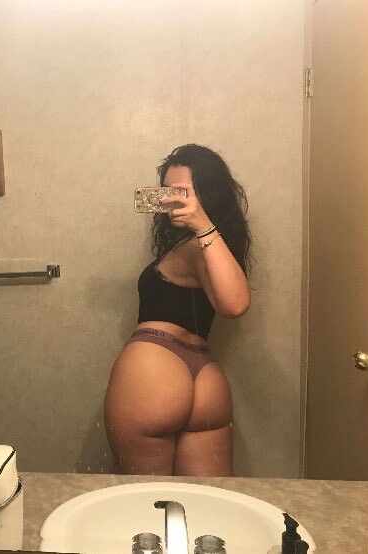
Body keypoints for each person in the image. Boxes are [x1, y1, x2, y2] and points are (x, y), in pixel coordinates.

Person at [104, 144, 252, 476]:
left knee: (146, 499)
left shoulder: (202, 243)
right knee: (207, 500)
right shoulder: (206, 247)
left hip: (152, 371)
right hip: (206, 379)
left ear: (208, 194)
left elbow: (235, 304)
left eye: (184, 192)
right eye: (168, 191)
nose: (173, 200)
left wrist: (203, 225)